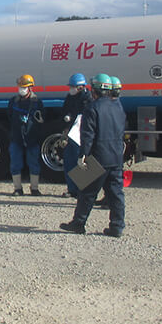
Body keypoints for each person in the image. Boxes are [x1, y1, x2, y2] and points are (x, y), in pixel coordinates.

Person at [59, 73, 126, 237]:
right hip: (116, 157)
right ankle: (117, 226)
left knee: (87, 192)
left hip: (98, 157)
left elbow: (87, 135)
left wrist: (83, 155)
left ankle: (78, 223)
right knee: (116, 193)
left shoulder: (92, 108)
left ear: (94, 90)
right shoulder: (117, 106)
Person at [7, 74, 45, 195]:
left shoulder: (37, 102)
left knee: (34, 162)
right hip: (16, 137)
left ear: (30, 88)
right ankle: (17, 188)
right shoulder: (13, 101)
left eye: (24, 87)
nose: (21, 89)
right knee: (15, 163)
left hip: (32, 138)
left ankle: (34, 188)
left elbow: (41, 119)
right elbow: (10, 116)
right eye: (20, 87)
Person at [61, 73, 92, 198]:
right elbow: (64, 111)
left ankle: (82, 190)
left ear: (80, 87)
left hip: (81, 134)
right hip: (71, 133)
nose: (71, 89)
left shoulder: (87, 98)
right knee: (69, 161)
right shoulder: (70, 97)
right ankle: (72, 189)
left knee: (81, 162)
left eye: (73, 86)